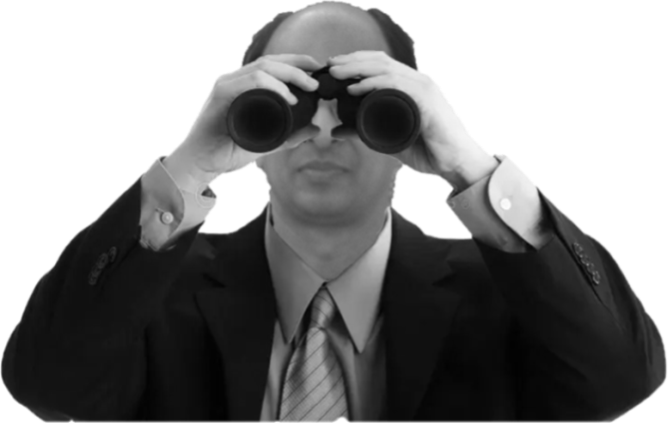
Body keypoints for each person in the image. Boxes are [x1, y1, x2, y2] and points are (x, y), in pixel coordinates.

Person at [1, 0, 666, 423]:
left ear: (413, 119)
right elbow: (45, 382)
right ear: (244, 121)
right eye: (288, 100)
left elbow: (620, 380)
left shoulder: (505, 296)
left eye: (359, 100)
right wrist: (188, 166)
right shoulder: (153, 295)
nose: (322, 128)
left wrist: (470, 166)